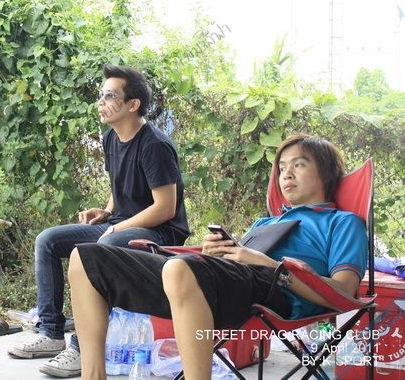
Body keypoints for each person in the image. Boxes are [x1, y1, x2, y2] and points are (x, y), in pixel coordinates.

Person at [68, 134, 368, 379]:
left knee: (180, 268)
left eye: (299, 165)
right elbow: (230, 267)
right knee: (85, 258)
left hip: (275, 295)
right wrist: (215, 253)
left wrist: (269, 265)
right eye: (282, 168)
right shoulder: (266, 223)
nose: (286, 174)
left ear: (326, 174)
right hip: (212, 284)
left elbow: (343, 294)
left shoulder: (343, 222)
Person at [8, 64, 189, 377]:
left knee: (101, 249)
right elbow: (120, 187)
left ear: (133, 104)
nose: (100, 102)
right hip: (120, 225)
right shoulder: (111, 138)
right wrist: (106, 211)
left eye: (110, 96)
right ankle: (50, 333)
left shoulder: (155, 146)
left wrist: (116, 227)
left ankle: (81, 349)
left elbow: (165, 208)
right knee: (48, 241)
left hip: (160, 233)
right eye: (101, 95)